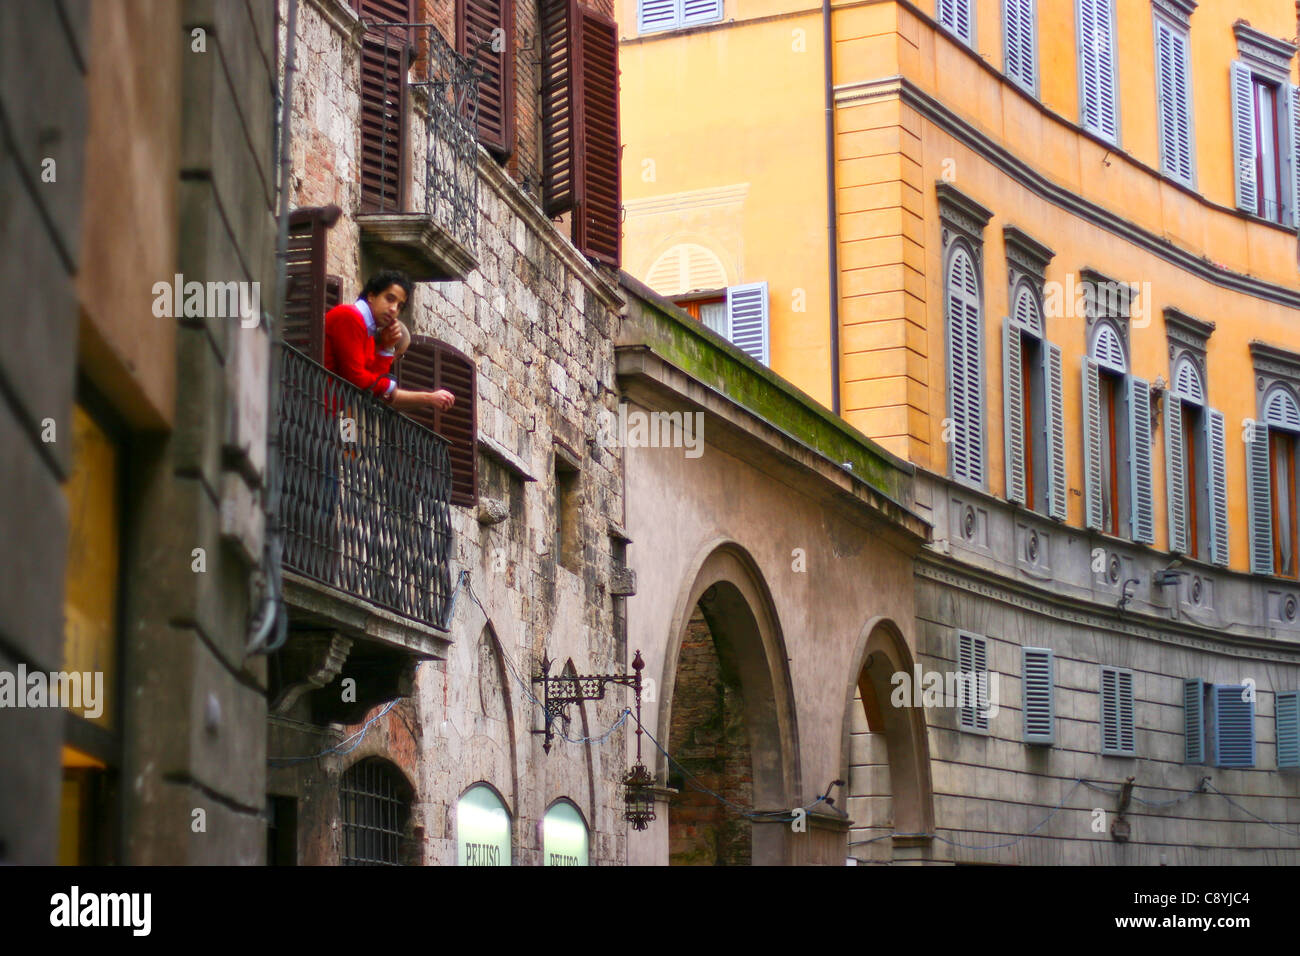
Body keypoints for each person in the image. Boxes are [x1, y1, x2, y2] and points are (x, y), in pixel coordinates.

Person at [323, 269, 455, 413]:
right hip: (312, 407)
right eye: (390, 299)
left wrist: (387, 349)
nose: (393, 309)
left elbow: (373, 387)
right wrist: (389, 386)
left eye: (399, 306)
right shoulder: (350, 316)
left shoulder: (367, 333)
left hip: (323, 414)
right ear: (371, 296)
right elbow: (357, 379)